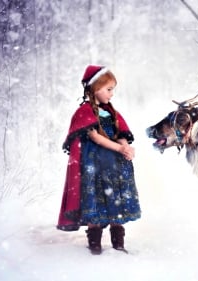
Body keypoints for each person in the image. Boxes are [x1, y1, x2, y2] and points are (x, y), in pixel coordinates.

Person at [57, 65, 141, 254]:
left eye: (113, 90)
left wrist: (125, 147)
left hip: (115, 165)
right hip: (94, 164)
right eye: (109, 89)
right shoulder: (85, 111)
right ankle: (95, 241)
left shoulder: (111, 112)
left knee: (115, 198)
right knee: (95, 197)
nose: (112, 94)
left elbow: (121, 132)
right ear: (95, 88)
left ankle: (118, 241)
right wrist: (119, 147)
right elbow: (95, 137)